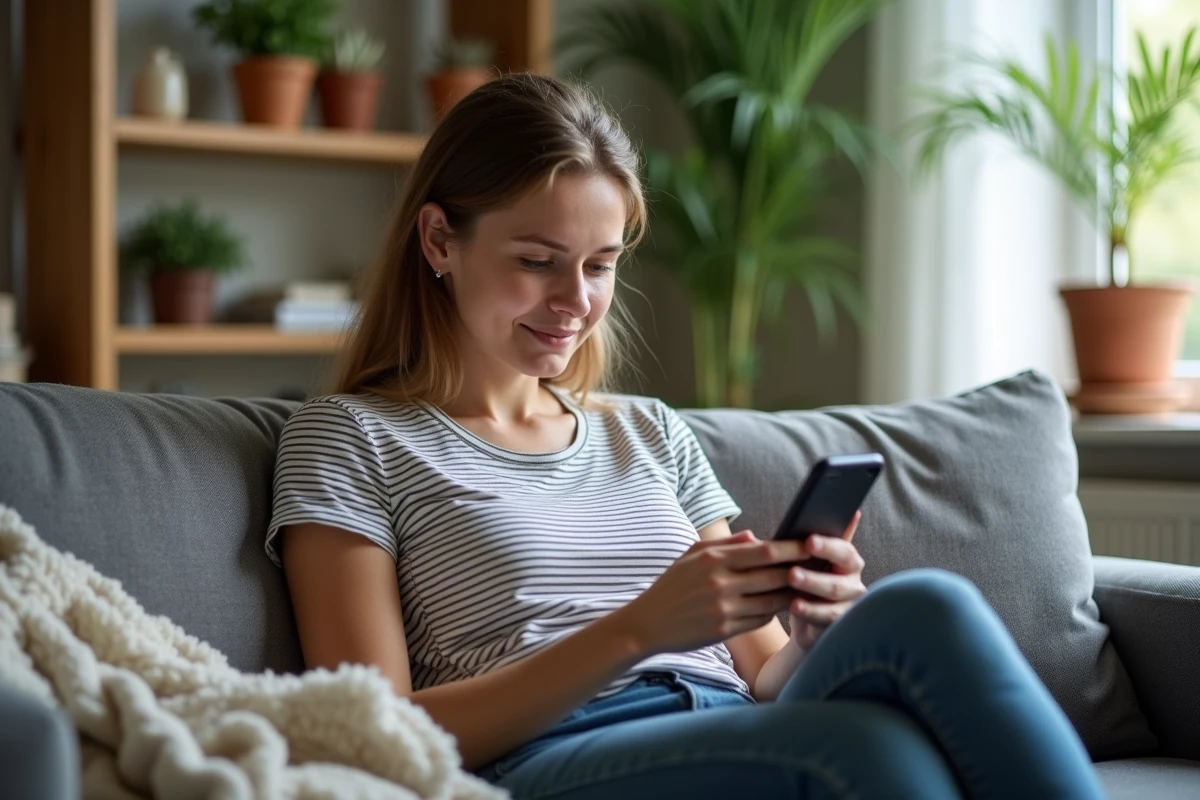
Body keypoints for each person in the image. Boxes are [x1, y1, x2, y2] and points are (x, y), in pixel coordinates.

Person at [264, 73, 1105, 799]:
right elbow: (369, 732)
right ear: (440, 239)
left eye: (599, 264)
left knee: (927, 604)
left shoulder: (646, 431)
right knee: (861, 750)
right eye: (537, 259)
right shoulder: (351, 439)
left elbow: (766, 674)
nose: (576, 301)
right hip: (550, 758)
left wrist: (813, 630)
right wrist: (637, 630)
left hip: (730, 726)